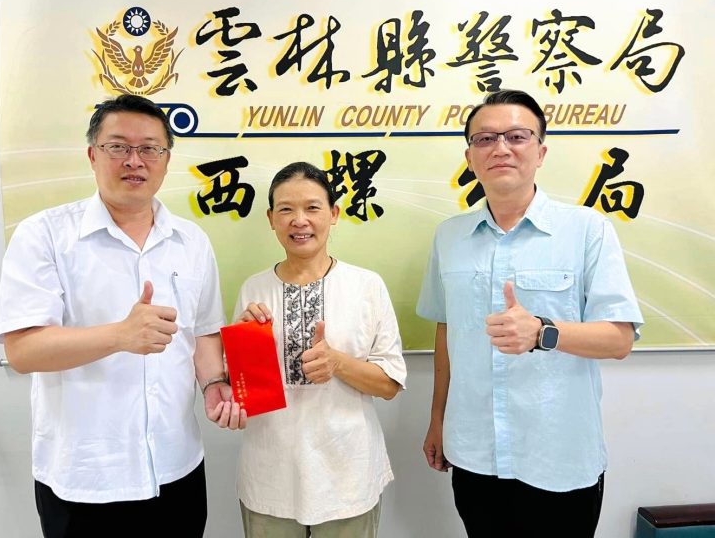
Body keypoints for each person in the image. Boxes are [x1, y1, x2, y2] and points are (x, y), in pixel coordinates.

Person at [0, 94, 245, 538]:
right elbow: (23, 351)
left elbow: (203, 332)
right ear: (93, 155)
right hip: (85, 477)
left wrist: (212, 384)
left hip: (176, 468)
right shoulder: (45, 235)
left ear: (166, 160)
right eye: (118, 147)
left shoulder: (192, 241)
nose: (134, 160)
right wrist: (120, 336)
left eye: (149, 148)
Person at [418, 89, 643, 538]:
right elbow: (447, 332)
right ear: (470, 157)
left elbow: (619, 339)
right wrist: (438, 418)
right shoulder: (449, 237)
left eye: (516, 136)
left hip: (557, 455)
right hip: (474, 452)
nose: (501, 148)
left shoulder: (587, 230)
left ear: (540, 152)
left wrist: (543, 331)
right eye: (485, 139)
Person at [233, 161, 406, 538]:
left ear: (334, 214)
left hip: (347, 476)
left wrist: (338, 362)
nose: (300, 221)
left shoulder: (366, 286)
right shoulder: (253, 290)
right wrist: (244, 350)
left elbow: (390, 385)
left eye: (312, 207)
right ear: (271, 219)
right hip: (270, 475)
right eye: (286, 209)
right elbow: (246, 396)